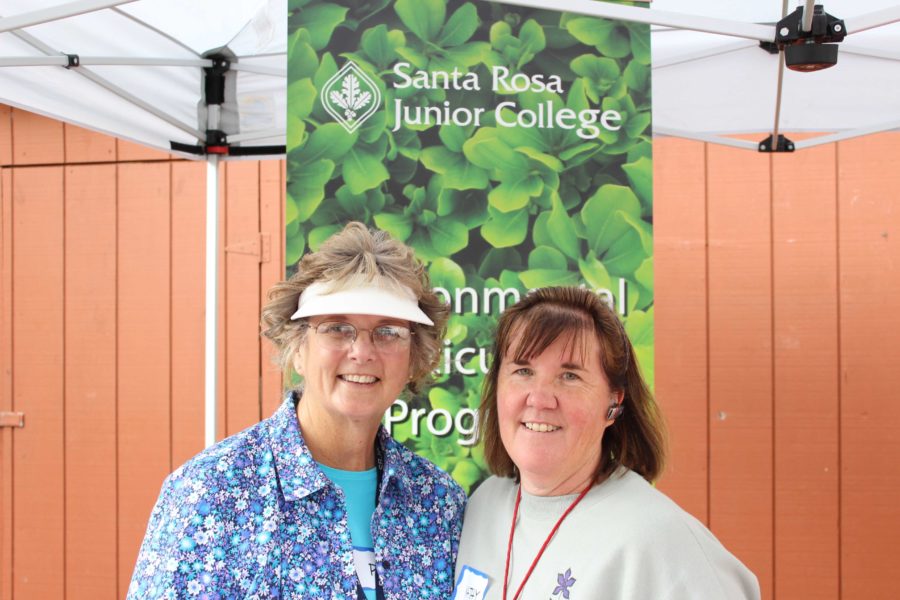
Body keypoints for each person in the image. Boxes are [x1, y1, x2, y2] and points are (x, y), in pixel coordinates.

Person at [128, 222, 466, 599]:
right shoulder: (212, 491)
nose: (362, 351)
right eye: (338, 328)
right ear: (298, 349)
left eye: (388, 332)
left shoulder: (437, 502)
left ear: (414, 359)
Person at [454, 286, 760, 600]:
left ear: (613, 402)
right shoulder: (483, 506)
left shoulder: (659, 537)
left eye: (569, 376)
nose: (540, 398)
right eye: (523, 371)